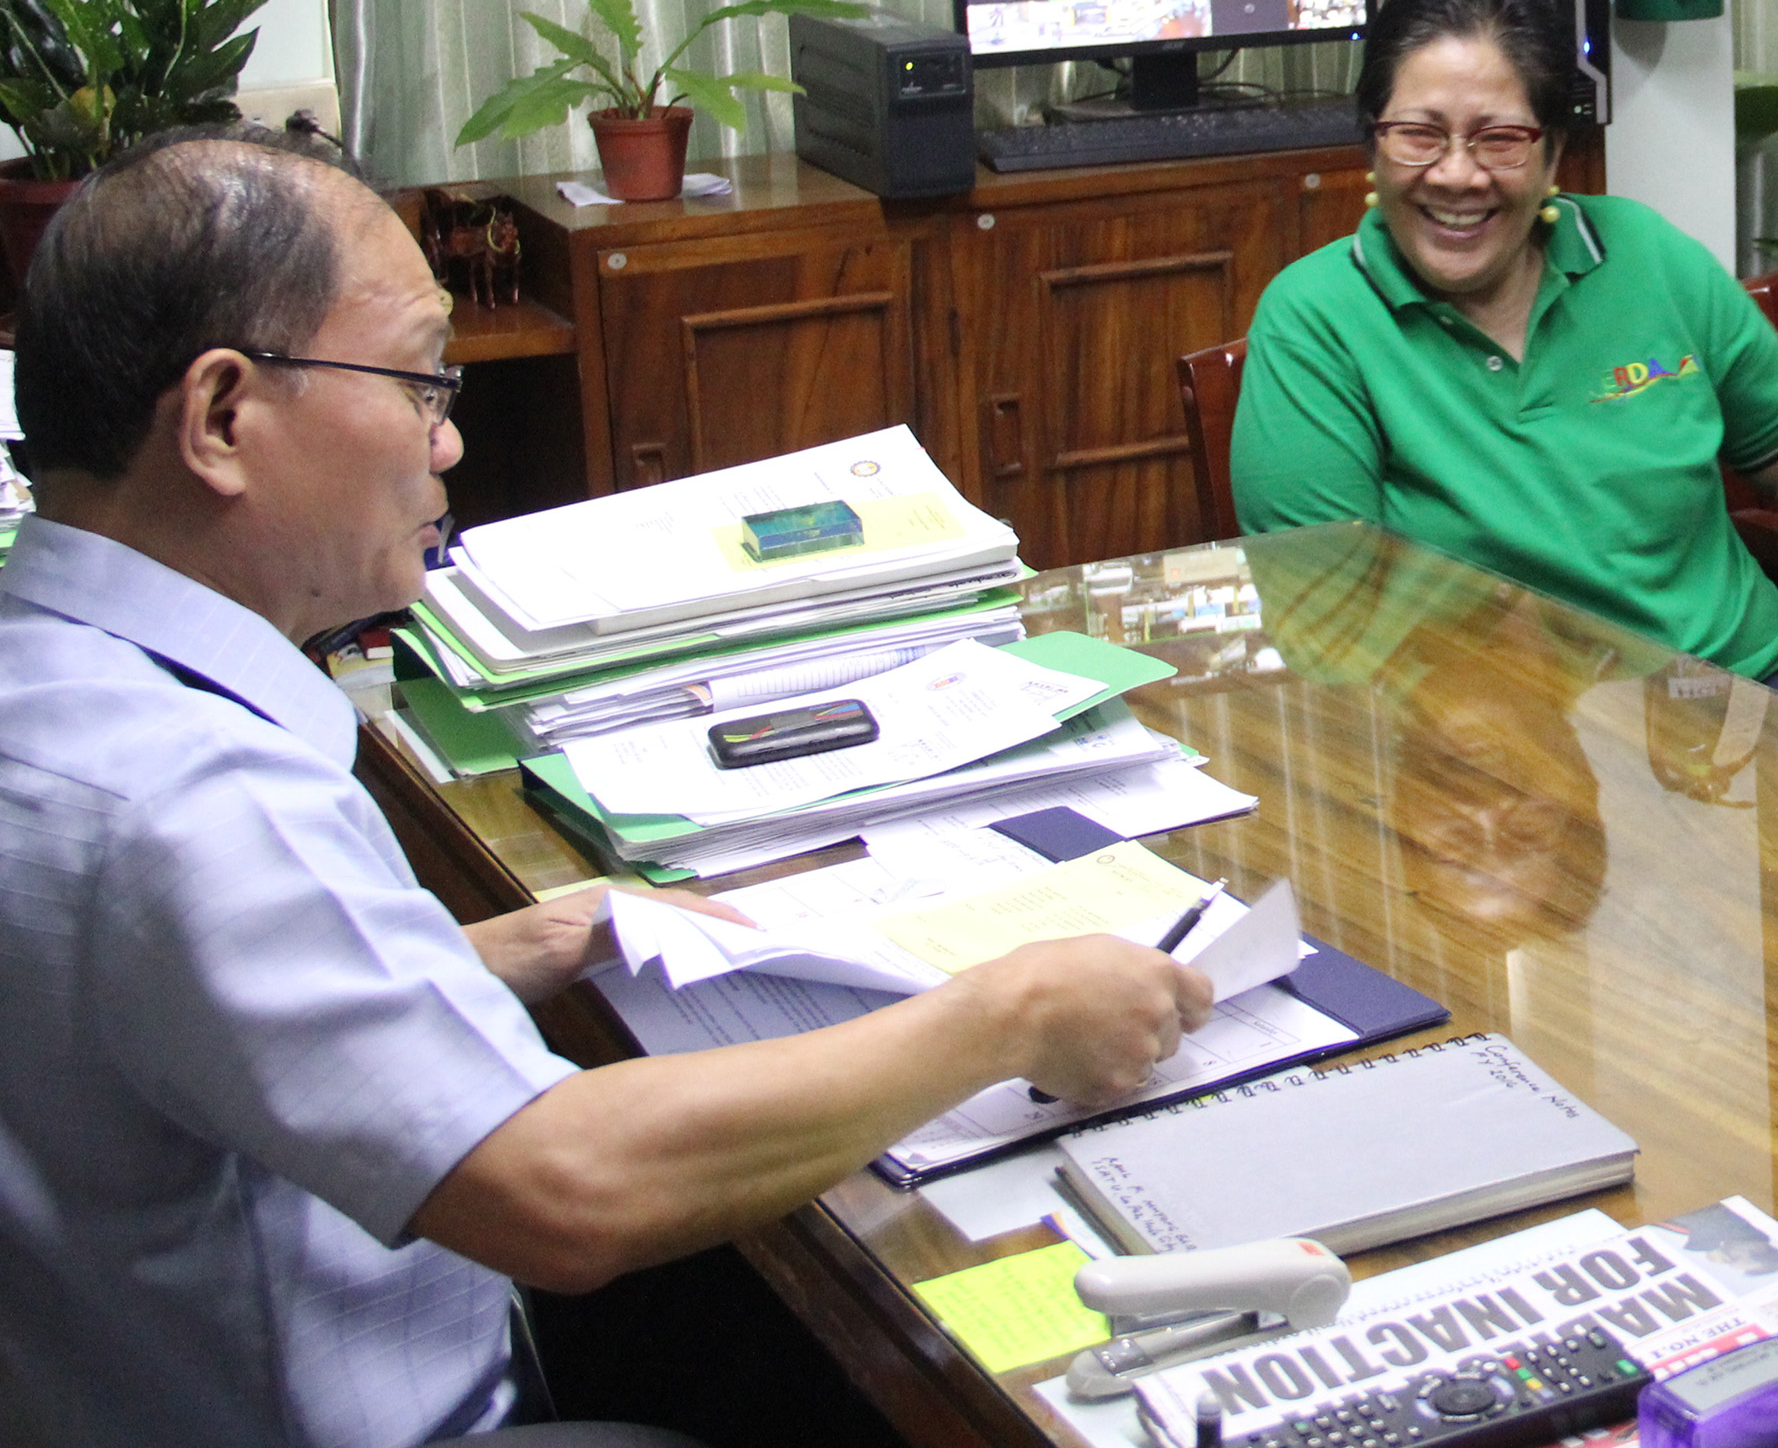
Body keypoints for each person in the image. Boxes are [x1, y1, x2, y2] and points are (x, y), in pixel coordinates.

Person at [0, 126, 1212, 1448]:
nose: (446, 443)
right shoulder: (192, 791)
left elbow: (186, 1009)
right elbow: (561, 1188)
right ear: (223, 417)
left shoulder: (63, 693)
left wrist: (516, 942)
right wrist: (1012, 1010)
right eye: (418, 383)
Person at [1232, 0, 1778, 747]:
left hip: (1749, 687)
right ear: (1371, 145)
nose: (1457, 174)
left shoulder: (1645, 253)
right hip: (1488, 734)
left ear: (1554, 156)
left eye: (1500, 138)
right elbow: (1325, 624)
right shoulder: (1316, 321)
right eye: (1420, 133)